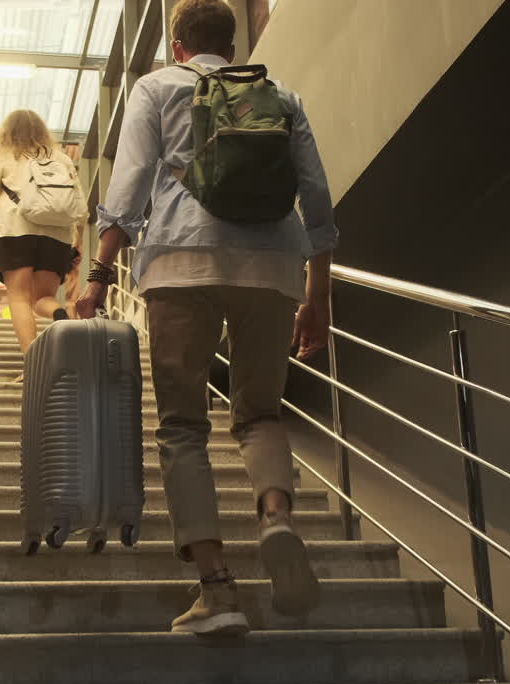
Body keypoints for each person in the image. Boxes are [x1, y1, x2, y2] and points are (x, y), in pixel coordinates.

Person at [77, 0, 338, 635]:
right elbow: (317, 192)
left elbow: (133, 178)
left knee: (183, 427)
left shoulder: (157, 87)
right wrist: (318, 293)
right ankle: (275, 516)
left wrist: (98, 270)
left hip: (178, 264)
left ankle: (218, 590)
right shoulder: (279, 95)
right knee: (260, 413)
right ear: (235, 43)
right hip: (273, 267)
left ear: (176, 46)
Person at [0, 109, 86, 373]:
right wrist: (76, 243)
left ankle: (35, 367)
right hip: (56, 237)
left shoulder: (4, 158)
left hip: (16, 233)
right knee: (43, 298)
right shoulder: (61, 160)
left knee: (20, 298)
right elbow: (79, 208)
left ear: (7, 133)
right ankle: (59, 313)